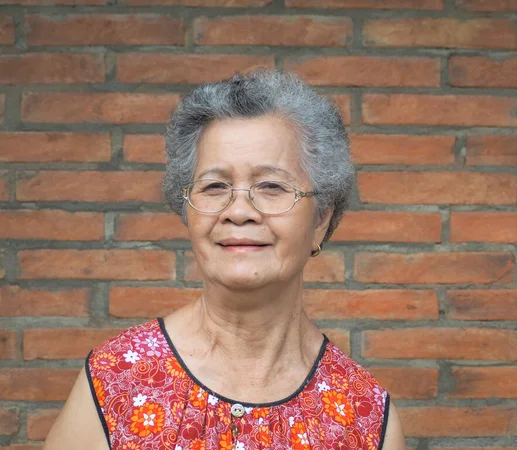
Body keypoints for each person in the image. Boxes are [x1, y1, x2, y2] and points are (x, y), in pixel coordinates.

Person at [43, 69, 405, 450]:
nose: (239, 211)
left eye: (271, 186)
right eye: (215, 186)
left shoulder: (365, 416)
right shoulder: (115, 380)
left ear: (321, 219)